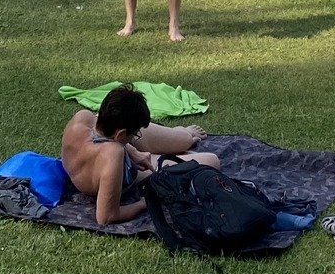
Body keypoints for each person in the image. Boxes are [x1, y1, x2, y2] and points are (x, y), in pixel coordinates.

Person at [61, 86, 233, 228]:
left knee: (182, 140)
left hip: (115, 146)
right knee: (212, 161)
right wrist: (144, 203)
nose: (136, 136)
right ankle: (181, 143)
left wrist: (133, 151)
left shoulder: (82, 118)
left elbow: (107, 137)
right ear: (121, 135)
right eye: (134, 134)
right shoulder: (112, 155)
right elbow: (105, 217)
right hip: (126, 167)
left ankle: (183, 136)